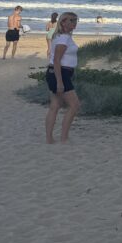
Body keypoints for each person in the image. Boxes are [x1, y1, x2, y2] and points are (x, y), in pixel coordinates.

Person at [45, 12, 81, 144]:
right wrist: (60, 82)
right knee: (74, 105)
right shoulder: (63, 38)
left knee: (55, 105)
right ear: (63, 22)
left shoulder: (62, 36)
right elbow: (56, 60)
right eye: (71, 20)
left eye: (76, 20)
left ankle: (50, 139)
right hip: (59, 73)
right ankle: (64, 138)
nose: (74, 23)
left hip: (56, 73)